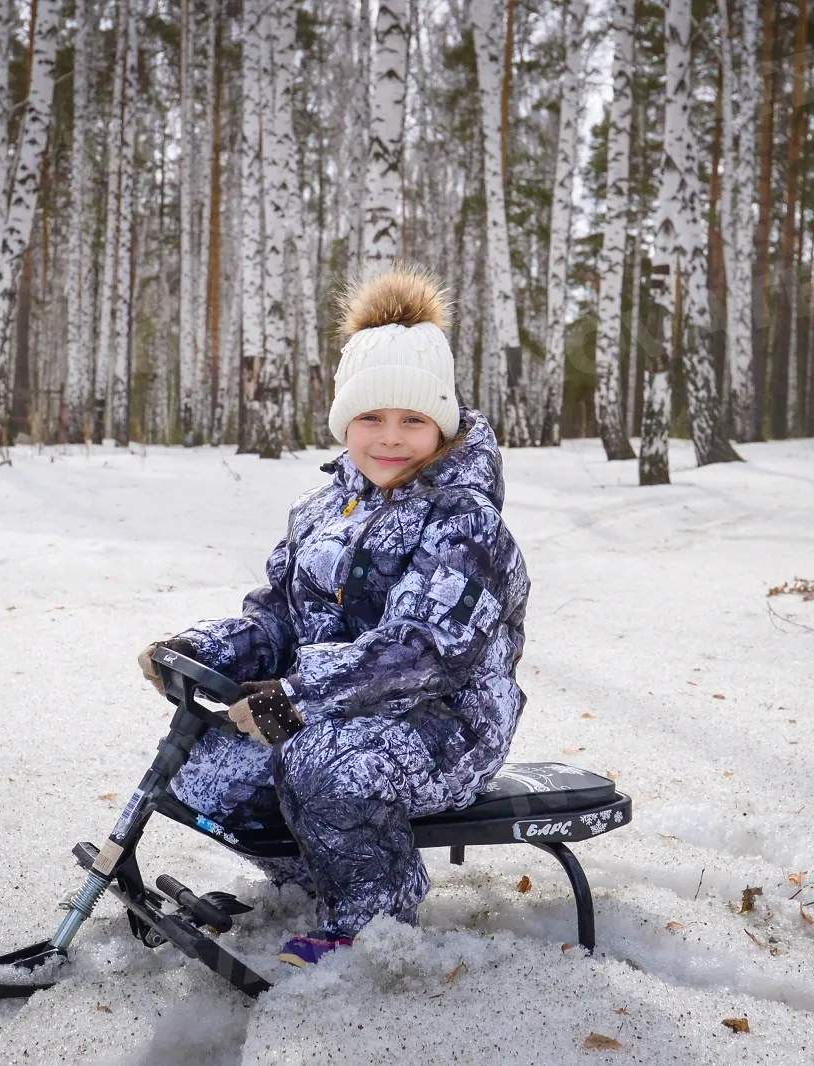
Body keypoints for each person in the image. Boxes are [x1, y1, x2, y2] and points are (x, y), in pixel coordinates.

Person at [136, 267, 530, 967]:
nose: (390, 437)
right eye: (371, 418)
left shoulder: (464, 523)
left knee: (326, 763)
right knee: (204, 762)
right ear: (345, 421)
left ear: (441, 426)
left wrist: (297, 696)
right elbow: (279, 619)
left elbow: (425, 652)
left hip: (446, 720)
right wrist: (206, 651)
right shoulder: (324, 511)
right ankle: (314, 878)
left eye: (414, 420)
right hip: (332, 704)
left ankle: (370, 923)